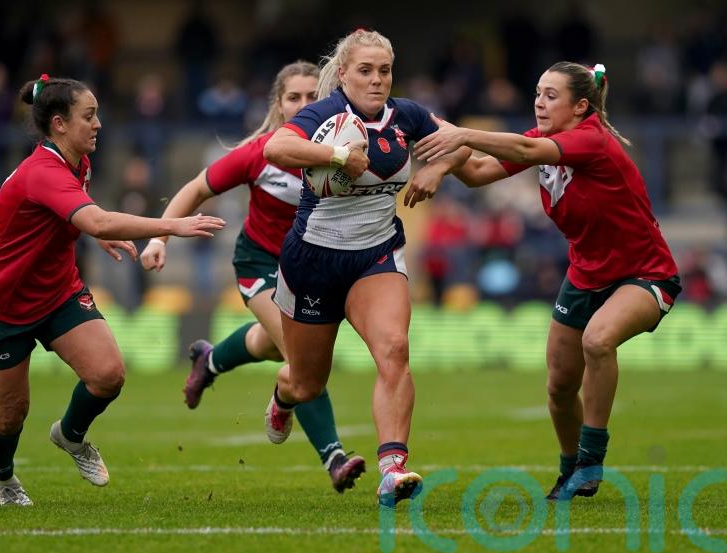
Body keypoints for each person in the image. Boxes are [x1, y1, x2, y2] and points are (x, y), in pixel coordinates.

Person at [408, 61, 681, 501]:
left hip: (645, 273)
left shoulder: (591, 140)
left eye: (551, 95)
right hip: (585, 275)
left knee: (598, 341)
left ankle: (591, 461)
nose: (539, 102)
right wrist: (441, 162)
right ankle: (571, 471)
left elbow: (522, 149)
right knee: (558, 387)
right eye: (537, 92)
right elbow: (476, 173)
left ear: (580, 106)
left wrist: (462, 134)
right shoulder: (542, 139)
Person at [0, 75, 225, 506]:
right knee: (10, 416)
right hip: (3, 305)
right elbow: (98, 219)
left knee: (108, 375)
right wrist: (172, 225)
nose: (98, 124)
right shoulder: (42, 170)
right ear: (59, 124)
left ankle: (70, 435)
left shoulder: (78, 162)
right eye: (88, 116)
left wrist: (93, 231)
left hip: (57, 293)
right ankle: (4, 477)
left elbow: (75, 216)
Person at [140, 61, 366, 493]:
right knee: (301, 360)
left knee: (271, 343)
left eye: (313, 96)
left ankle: (212, 361)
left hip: (312, 271)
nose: (304, 104)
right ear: (278, 106)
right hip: (260, 263)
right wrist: (159, 237)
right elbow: (196, 188)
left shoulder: (348, 153)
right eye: (294, 97)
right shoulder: (261, 153)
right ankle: (334, 457)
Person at [262, 29, 464, 507]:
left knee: (394, 348)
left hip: (376, 254)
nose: (377, 80)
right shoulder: (323, 113)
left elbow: (460, 140)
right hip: (313, 260)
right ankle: (283, 395)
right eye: (366, 71)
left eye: (384, 71)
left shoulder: (407, 114)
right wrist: (337, 156)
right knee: (307, 382)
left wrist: (437, 168)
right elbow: (275, 148)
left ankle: (392, 469)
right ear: (344, 74)